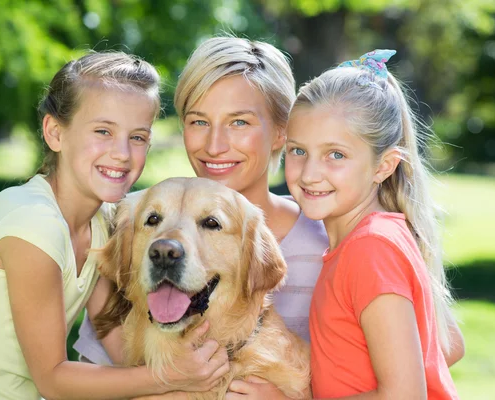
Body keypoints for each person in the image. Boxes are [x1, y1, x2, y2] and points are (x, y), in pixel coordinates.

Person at [0, 51, 229, 400]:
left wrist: (205, 372)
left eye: (138, 137)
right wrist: (170, 376)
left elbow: (116, 339)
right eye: (103, 131)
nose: (122, 153)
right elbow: (54, 380)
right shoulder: (33, 224)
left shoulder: (98, 225)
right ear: (54, 133)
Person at [73, 36, 329, 397]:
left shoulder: (327, 244)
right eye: (198, 122)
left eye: (239, 122)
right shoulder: (127, 218)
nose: (214, 145)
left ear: (282, 133)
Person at [284, 49, 463, 399]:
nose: (309, 173)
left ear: (384, 166)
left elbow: (404, 395)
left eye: (336, 155)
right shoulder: (365, 241)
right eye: (298, 150)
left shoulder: (370, 249)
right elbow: (448, 345)